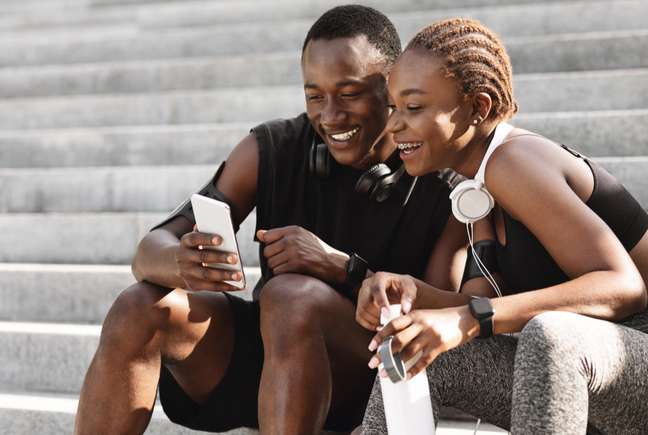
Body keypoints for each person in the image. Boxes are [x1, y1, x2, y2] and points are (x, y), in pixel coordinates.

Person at [74, 6, 467, 435]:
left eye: (349, 93)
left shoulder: (440, 178)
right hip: (272, 369)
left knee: (291, 296)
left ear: (391, 88)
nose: (330, 116)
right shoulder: (271, 148)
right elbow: (149, 251)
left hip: (371, 378)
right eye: (315, 96)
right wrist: (182, 262)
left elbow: (443, 317)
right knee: (139, 305)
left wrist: (345, 268)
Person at [356, 18, 648, 434]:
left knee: (552, 333)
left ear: (479, 108)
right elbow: (478, 306)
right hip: (586, 386)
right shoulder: (473, 189)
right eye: (394, 106)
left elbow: (624, 287)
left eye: (413, 107)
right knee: (421, 347)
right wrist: (416, 295)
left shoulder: (515, 163)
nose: (394, 124)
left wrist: (468, 317)